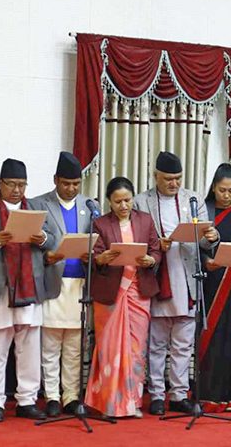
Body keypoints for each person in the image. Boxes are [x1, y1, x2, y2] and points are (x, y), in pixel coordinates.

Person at [0, 158, 57, 422]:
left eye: (22, 184)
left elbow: (53, 240)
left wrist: (42, 238)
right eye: (12, 184)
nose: (17, 190)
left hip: (30, 285)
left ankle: (27, 400)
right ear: (0, 183)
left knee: (29, 347)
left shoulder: (38, 207)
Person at [132, 151, 218, 416]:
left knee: (183, 343)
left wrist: (212, 237)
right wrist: (156, 244)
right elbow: (134, 237)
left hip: (187, 276)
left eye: (178, 178)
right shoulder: (141, 201)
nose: (174, 183)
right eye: (168, 179)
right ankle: (157, 394)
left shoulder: (194, 199)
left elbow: (204, 241)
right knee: (157, 342)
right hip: (158, 276)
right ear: (155, 176)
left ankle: (179, 394)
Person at [85, 176, 162, 418]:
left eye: (127, 200)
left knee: (136, 350)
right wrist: (101, 259)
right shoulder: (100, 224)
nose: (124, 206)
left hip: (138, 292)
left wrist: (151, 260)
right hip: (111, 293)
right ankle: (108, 403)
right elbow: (93, 255)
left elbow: (156, 249)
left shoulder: (145, 220)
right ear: (109, 201)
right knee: (109, 349)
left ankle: (133, 402)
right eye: (118, 201)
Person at [31, 151, 94, 417]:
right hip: (53, 281)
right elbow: (34, 243)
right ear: (55, 179)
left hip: (80, 283)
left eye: (76, 184)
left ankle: (70, 396)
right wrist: (49, 250)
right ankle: (52, 396)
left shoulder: (90, 205)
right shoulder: (38, 204)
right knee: (50, 344)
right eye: (66, 183)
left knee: (75, 346)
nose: (71, 188)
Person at [196, 163, 231, 408]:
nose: (227, 195)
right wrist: (205, 262)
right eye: (222, 190)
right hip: (211, 282)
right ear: (213, 188)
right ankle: (208, 392)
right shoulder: (204, 209)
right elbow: (194, 244)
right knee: (213, 336)